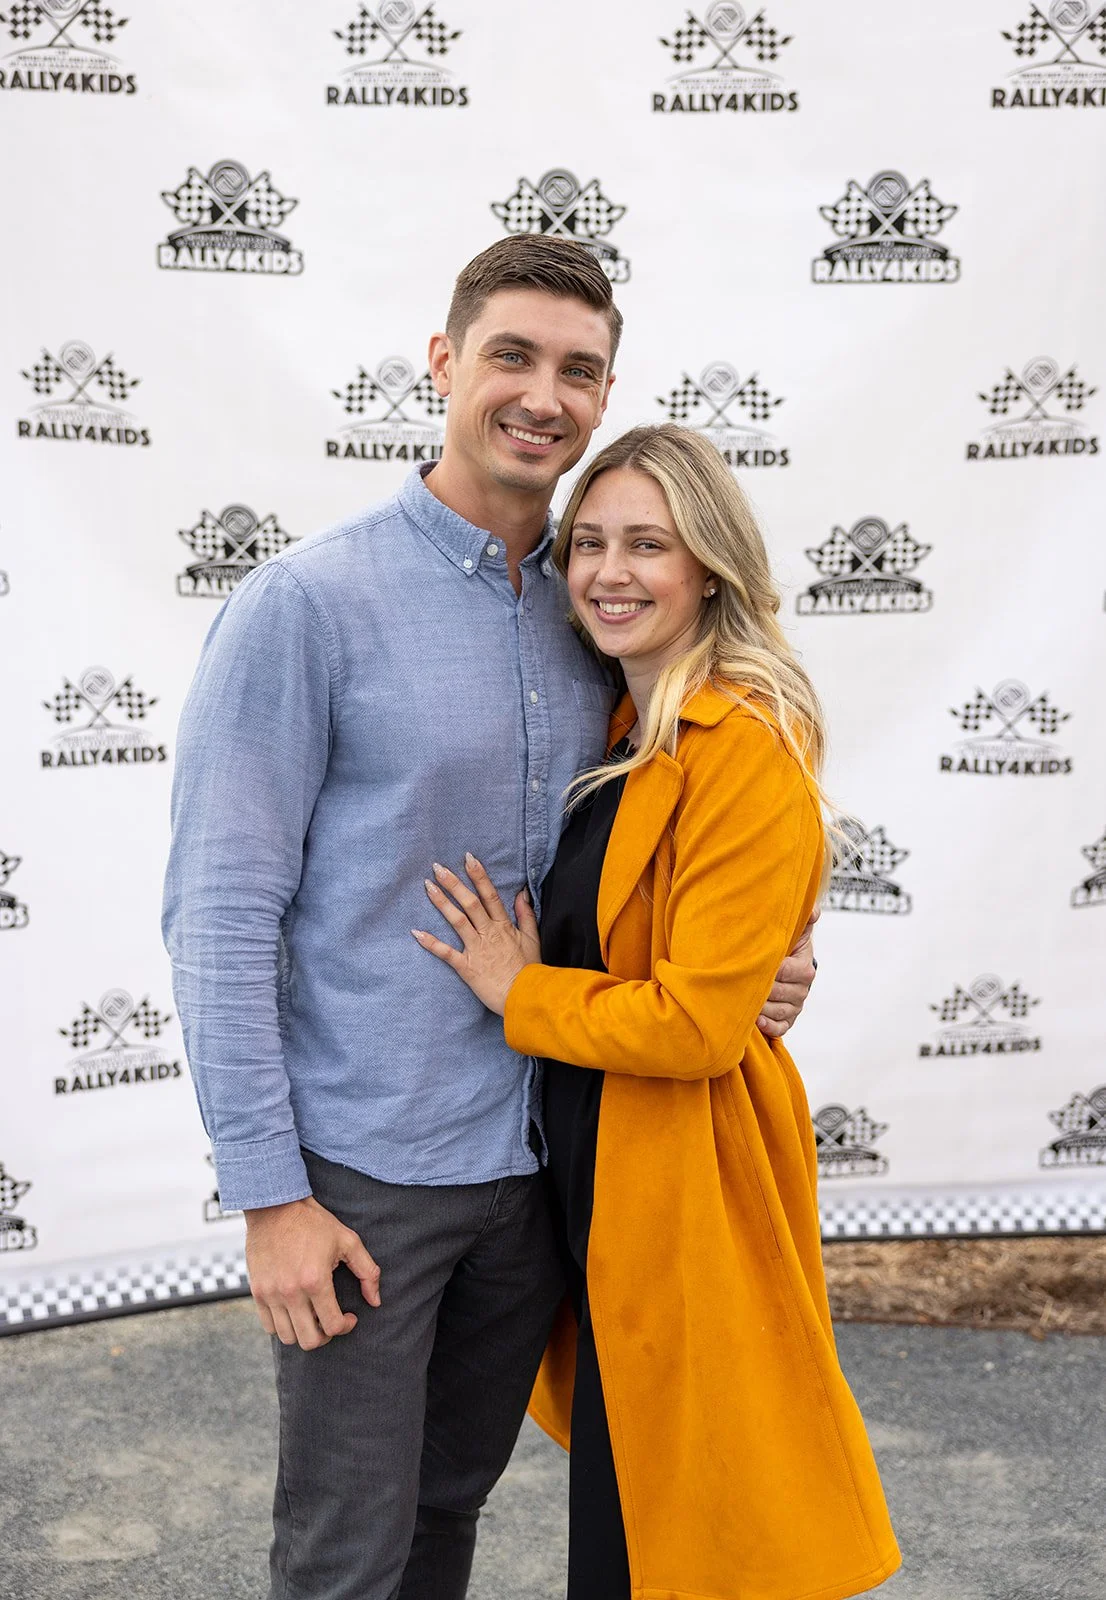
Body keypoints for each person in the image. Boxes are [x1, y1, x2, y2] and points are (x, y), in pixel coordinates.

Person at [162, 239, 817, 1600]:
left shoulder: (597, 617)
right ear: (444, 362)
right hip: (368, 1179)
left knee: (449, 1510)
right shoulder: (307, 607)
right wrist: (272, 1197)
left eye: (578, 371)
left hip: (543, 1174)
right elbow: (220, 917)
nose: (544, 395)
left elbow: (679, 845)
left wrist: (765, 957)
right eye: (511, 356)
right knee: (343, 1553)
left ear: (604, 391)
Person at [414, 423, 900, 1600]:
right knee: (636, 1519)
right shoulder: (625, 725)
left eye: (647, 544)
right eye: (587, 543)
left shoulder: (743, 747)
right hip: (593, 1177)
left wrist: (516, 990)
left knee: (690, 1533)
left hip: (683, 1178)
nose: (608, 571)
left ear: (709, 568)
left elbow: (691, 1026)